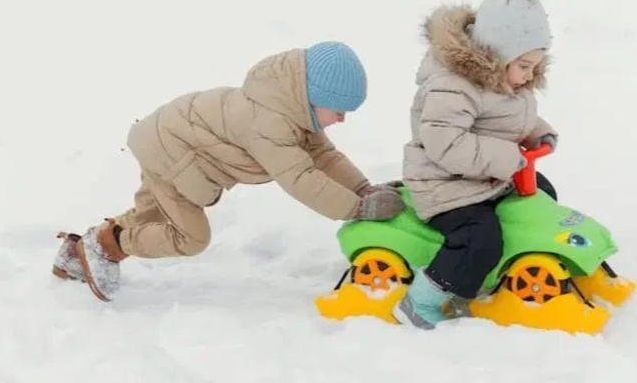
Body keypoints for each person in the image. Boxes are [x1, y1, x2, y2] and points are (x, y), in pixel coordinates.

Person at [52, 41, 406, 302]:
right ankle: (101, 247)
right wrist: (357, 209)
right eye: (339, 110)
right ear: (311, 96)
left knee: (151, 215)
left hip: (169, 138)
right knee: (190, 236)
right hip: (171, 152)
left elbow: (325, 158)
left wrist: (363, 189)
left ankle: (78, 255)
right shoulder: (269, 122)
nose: (342, 119)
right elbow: (300, 178)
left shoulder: (292, 112)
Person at [392, 0, 560, 330]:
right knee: (478, 238)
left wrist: (538, 133)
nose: (528, 77)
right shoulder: (452, 87)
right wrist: (506, 157)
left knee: (542, 194)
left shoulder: (503, 80)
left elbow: (509, 117)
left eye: (535, 68)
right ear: (496, 54)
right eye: (524, 66)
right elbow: (445, 144)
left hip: (482, 178)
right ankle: (423, 302)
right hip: (447, 186)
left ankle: (507, 267)